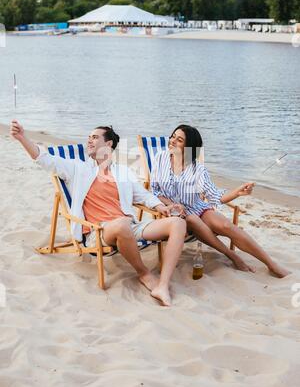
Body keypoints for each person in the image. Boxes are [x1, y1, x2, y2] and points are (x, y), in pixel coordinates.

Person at [10, 120, 187, 306]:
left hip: (128, 226)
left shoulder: (122, 172)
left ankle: (163, 285)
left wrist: (162, 207)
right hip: (99, 232)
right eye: (88, 138)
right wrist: (22, 138)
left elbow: (143, 195)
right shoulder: (78, 168)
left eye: (94, 137)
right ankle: (144, 273)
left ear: (108, 144)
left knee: (178, 223)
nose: (89, 141)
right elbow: (44, 159)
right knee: (121, 224)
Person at [151, 124, 290, 278]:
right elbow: (155, 190)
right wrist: (171, 205)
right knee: (191, 219)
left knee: (226, 225)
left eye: (179, 140)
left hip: (196, 207)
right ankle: (232, 255)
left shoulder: (198, 169)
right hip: (173, 213)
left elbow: (215, 196)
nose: (172, 141)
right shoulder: (160, 158)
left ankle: (272, 264)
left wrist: (238, 192)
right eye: (172, 136)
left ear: (189, 147)